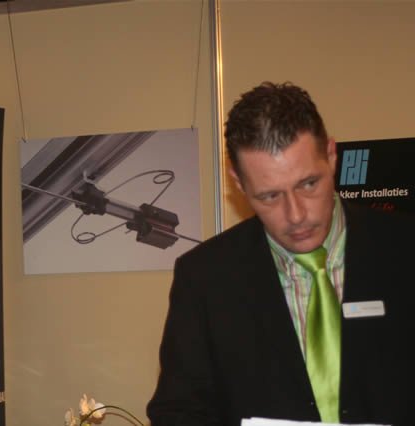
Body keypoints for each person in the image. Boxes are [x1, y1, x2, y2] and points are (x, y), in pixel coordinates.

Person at [147, 82, 415, 426]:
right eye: (270, 196)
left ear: (331, 156)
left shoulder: (404, 248)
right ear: (239, 184)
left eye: (309, 184)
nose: (296, 215)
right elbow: (178, 412)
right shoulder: (205, 278)